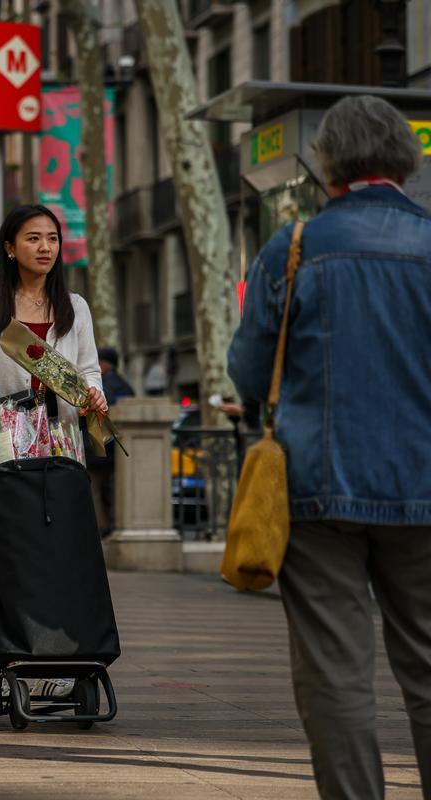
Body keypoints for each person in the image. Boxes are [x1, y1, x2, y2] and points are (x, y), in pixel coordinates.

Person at [227, 96, 431, 798]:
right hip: (425, 487)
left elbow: (251, 372)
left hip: (314, 489)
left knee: (336, 673)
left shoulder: (292, 247)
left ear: (326, 162)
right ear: (407, 158)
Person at [0, 203, 106, 701]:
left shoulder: (74, 307)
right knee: (12, 559)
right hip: (1, 454)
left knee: (62, 556)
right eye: (33, 238)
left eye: (52, 238)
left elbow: (89, 372)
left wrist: (94, 396)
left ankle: (63, 658)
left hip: (60, 452)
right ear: (10, 248)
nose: (45, 248)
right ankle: (18, 656)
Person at [88, 347, 134, 536]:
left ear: (104, 364)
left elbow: (93, 414)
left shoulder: (100, 386)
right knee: (113, 489)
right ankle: (117, 525)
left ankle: (103, 528)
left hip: (97, 445)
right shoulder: (126, 386)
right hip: (119, 448)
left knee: (95, 490)